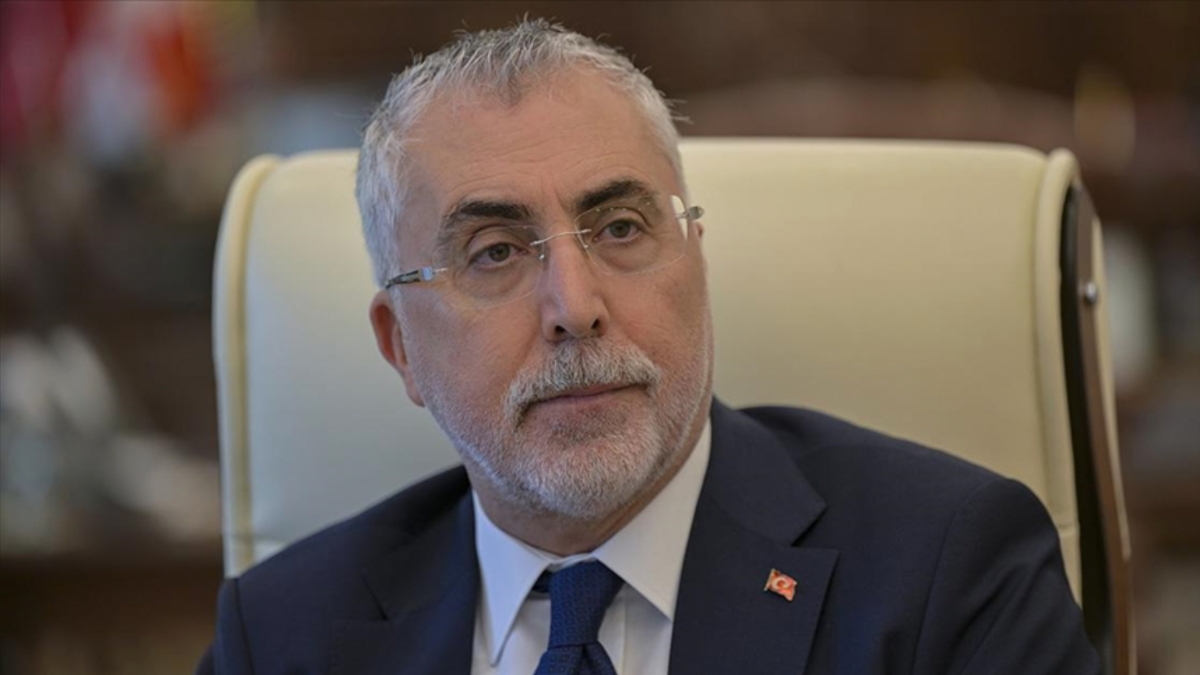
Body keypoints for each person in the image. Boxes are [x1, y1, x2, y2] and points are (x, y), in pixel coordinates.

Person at [197, 19, 1099, 675]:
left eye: (621, 228)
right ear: (401, 348)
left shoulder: (948, 573)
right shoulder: (279, 638)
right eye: (496, 252)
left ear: (696, 260)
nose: (575, 307)